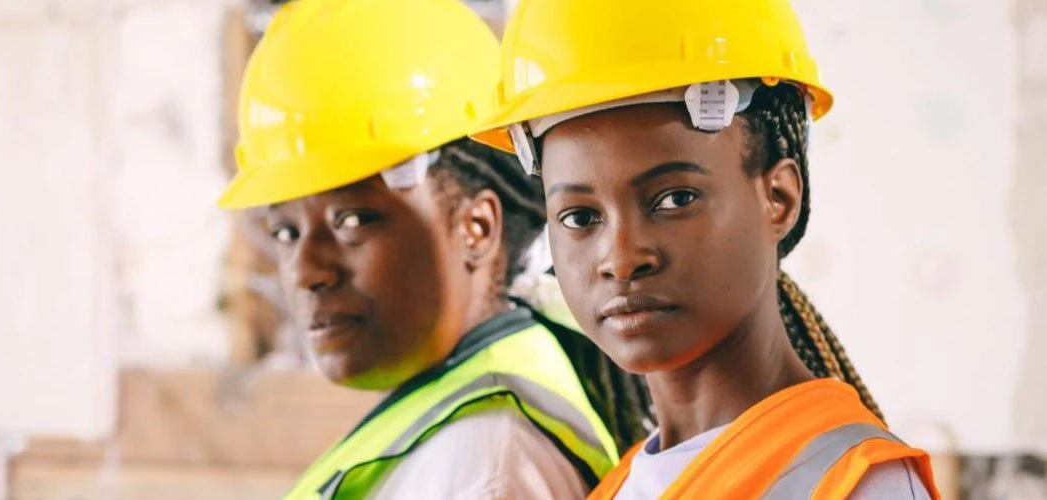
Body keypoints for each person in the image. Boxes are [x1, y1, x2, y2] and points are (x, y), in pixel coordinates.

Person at [473, 0, 941, 498]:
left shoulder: (855, 484)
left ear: (778, 199)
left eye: (674, 199)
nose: (623, 257)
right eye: (580, 218)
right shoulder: (620, 488)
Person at [216, 0, 653, 498]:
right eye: (286, 232)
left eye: (353, 221)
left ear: (476, 227)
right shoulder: (450, 428)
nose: (306, 271)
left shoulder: (488, 466)